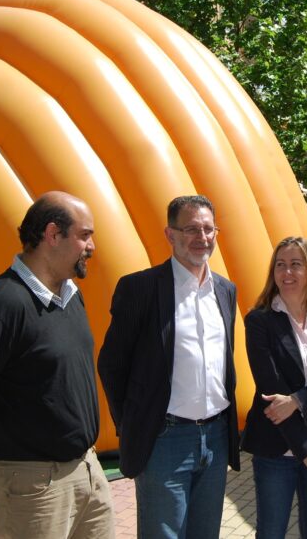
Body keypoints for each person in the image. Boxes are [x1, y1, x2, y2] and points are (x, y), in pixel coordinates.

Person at [0, 191, 114, 539]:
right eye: (84, 235)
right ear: (52, 234)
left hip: (87, 472)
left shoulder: (71, 297)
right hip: (29, 487)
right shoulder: (0, 307)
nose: (92, 246)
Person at [99, 195, 239, 539]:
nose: (201, 237)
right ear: (169, 234)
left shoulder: (225, 290)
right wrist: (134, 423)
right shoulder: (140, 288)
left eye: (208, 229)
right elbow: (112, 365)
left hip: (216, 436)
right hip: (165, 438)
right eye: (190, 229)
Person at [241, 237, 307, 539]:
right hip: (277, 448)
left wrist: (299, 400)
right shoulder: (259, 321)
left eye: (295, 264)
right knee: (271, 532)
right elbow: (272, 392)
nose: (287, 272)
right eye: (280, 265)